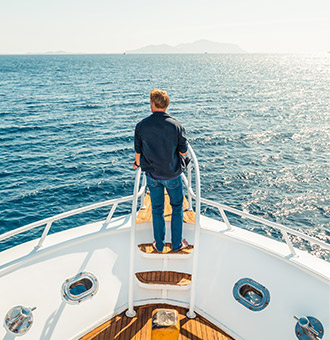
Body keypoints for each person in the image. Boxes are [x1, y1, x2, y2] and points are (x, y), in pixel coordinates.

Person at [133, 88, 189, 252]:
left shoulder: (141, 126)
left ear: (152, 104)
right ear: (166, 105)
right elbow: (183, 152)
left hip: (152, 174)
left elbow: (138, 154)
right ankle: (177, 244)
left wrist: (137, 164)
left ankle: (159, 244)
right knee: (177, 207)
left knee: (157, 208)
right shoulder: (176, 125)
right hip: (172, 175)